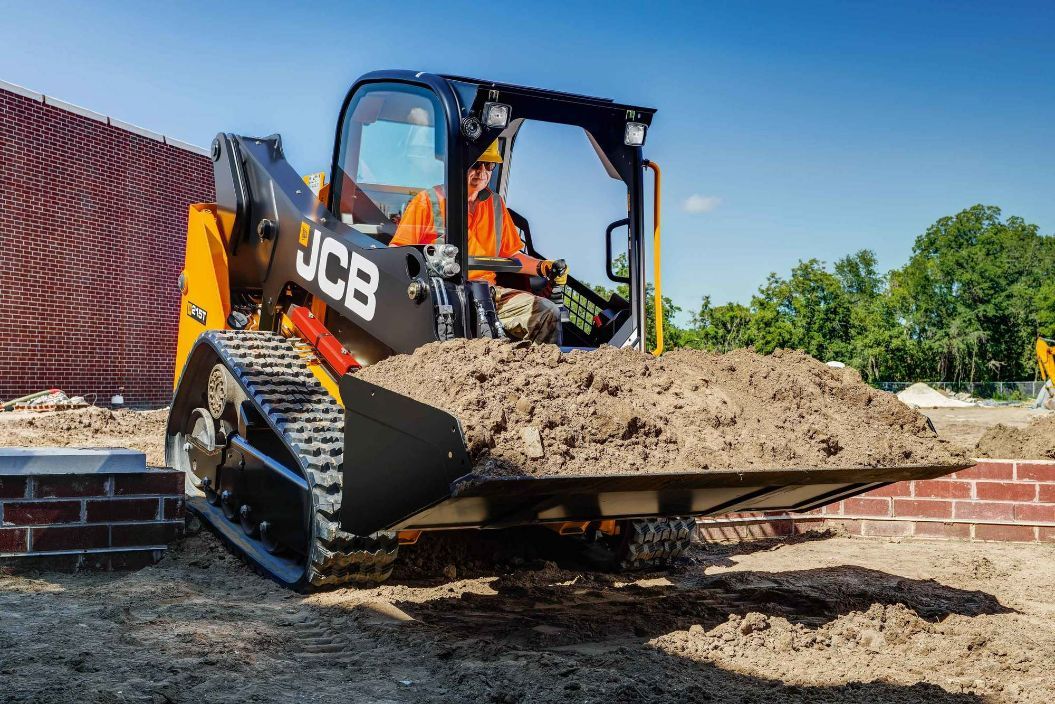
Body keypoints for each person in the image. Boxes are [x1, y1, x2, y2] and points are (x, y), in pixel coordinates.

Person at [389, 140, 565, 344]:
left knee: (547, 313)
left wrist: (544, 267)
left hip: (487, 295)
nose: (482, 172)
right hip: (441, 296)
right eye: (476, 164)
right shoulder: (427, 202)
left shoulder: (496, 205)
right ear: (460, 163)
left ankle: (533, 375)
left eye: (489, 165)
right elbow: (398, 254)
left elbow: (512, 256)